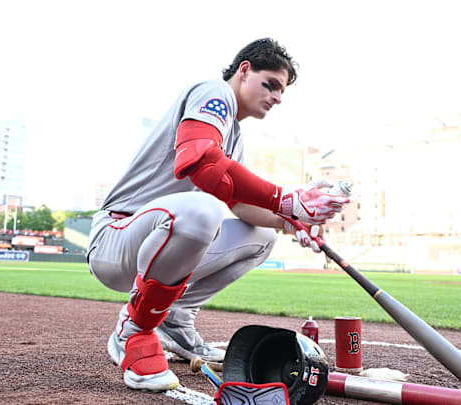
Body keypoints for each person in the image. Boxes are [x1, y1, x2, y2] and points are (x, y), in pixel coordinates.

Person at [86, 38, 350, 392]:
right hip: (118, 236)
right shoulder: (213, 93)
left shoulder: (233, 137)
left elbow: (240, 206)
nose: (277, 97)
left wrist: (291, 222)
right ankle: (133, 330)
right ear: (243, 71)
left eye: (282, 91)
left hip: (162, 239)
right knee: (202, 211)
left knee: (261, 237)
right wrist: (286, 200)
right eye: (270, 84)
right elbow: (200, 162)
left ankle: (176, 319)